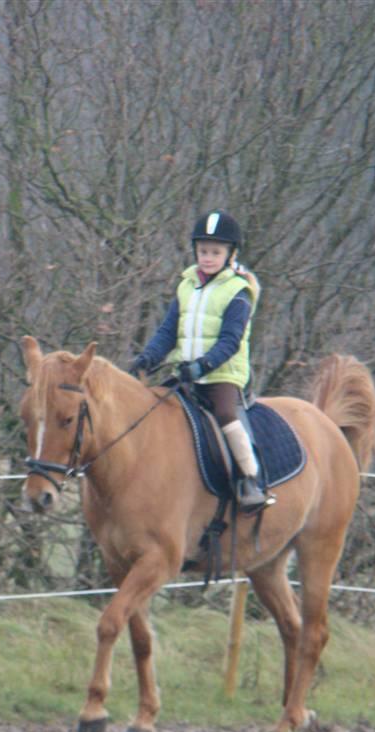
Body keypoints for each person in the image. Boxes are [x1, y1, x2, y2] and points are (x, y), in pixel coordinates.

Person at [129, 209, 269, 514]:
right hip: (187, 373)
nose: (207, 257)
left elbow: (230, 341)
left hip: (223, 375)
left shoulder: (239, 291)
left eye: (215, 252)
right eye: (203, 251)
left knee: (225, 415)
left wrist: (204, 365)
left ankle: (250, 479)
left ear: (230, 254)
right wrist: (148, 358)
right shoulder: (185, 286)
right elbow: (168, 331)